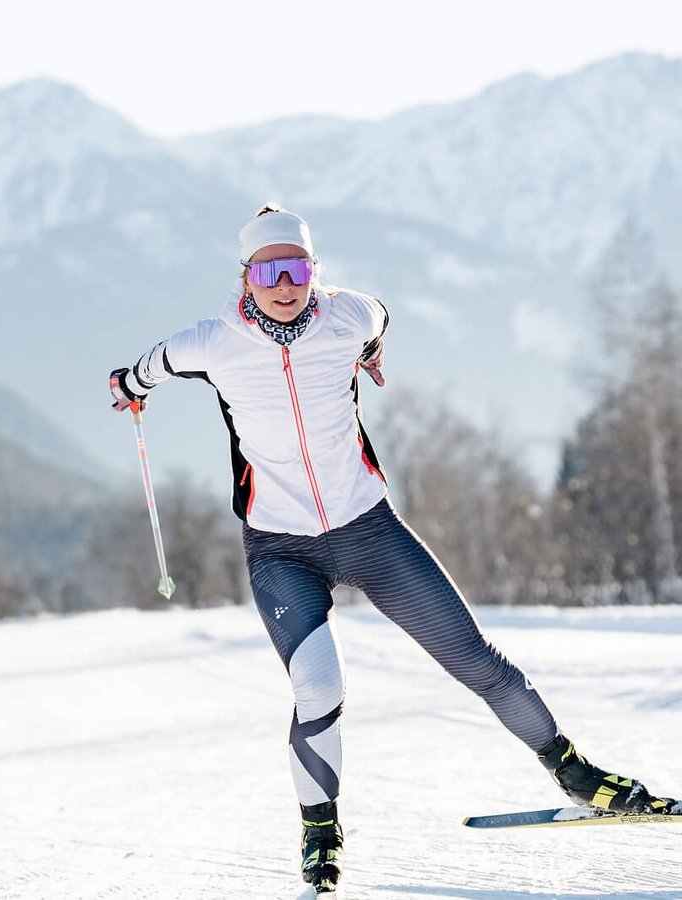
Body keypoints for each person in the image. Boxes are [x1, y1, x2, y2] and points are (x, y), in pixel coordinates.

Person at [108, 205, 679, 894]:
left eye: (298, 267)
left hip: (371, 532)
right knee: (319, 687)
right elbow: (149, 365)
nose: (284, 283)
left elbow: (380, 314)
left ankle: (578, 774)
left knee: (478, 661)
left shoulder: (347, 317)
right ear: (246, 278)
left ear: (315, 273)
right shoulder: (213, 343)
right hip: (282, 550)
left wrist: (372, 349)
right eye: (269, 270)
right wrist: (129, 387)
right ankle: (320, 833)